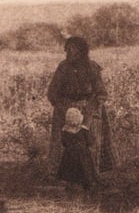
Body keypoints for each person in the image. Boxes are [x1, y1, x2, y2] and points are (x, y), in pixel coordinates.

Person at [46, 36, 115, 173]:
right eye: (67, 50)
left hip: (89, 106)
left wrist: (91, 107)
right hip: (66, 108)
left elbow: (101, 93)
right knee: (63, 139)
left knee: (91, 138)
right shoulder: (63, 67)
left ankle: (91, 172)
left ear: (81, 51)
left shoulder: (92, 67)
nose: (69, 53)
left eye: (73, 50)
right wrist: (63, 107)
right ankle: (60, 173)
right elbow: (52, 92)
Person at [56, 107, 98, 193]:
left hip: (69, 154)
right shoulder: (83, 130)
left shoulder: (65, 130)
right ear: (79, 118)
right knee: (85, 169)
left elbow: (64, 143)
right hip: (83, 153)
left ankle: (71, 187)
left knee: (70, 169)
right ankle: (87, 187)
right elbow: (90, 142)